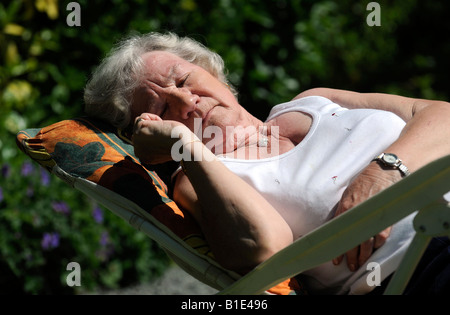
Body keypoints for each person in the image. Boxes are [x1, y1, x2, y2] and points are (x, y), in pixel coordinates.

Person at [84, 32, 450, 295]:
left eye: (182, 79)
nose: (185, 100)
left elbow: (438, 114)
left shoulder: (313, 99)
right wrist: (185, 146)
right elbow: (266, 248)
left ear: (212, 71)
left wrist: (383, 171)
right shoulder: (198, 178)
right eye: (163, 108)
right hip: (418, 266)